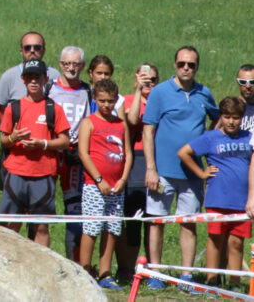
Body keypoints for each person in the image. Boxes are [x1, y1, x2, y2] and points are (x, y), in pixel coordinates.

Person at [142, 46, 218, 292]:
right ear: (174, 65)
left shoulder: (204, 93)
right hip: (162, 171)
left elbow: (217, 119)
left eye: (191, 65)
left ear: (197, 67)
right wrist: (150, 169)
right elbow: (147, 131)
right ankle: (156, 273)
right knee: (157, 221)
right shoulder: (160, 92)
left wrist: (208, 143)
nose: (186, 68)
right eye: (182, 64)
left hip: (193, 172)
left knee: (189, 223)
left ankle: (186, 276)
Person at [181, 96, 252, 291]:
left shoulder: (249, 137)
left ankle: (235, 284)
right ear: (221, 116)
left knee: (237, 243)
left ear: (242, 118)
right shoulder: (211, 137)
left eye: (236, 117)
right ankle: (211, 282)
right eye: (227, 116)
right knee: (215, 240)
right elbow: (184, 152)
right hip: (218, 198)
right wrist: (201, 172)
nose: (231, 121)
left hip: (242, 201)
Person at [0, 60, 70, 246]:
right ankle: (8, 264)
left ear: (45, 79)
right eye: (29, 77)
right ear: (23, 79)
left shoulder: (53, 108)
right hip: (16, 173)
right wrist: (13, 138)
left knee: (41, 226)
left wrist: (42, 144)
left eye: (37, 77)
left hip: (43, 174)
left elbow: (64, 140)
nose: (33, 81)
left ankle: (43, 269)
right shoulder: (13, 108)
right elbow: (4, 141)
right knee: (10, 224)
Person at [78, 79, 131, 291]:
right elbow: (83, 153)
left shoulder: (120, 124)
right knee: (92, 228)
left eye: (110, 101)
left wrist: (123, 180)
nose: (107, 105)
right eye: (102, 101)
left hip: (116, 187)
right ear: (95, 99)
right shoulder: (88, 122)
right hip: (94, 185)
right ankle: (84, 270)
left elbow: (127, 155)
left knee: (112, 228)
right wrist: (99, 179)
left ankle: (105, 272)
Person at [48, 45, 93, 260]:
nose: (71, 68)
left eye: (76, 64)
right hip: (50, 151)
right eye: (67, 64)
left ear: (83, 66)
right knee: (41, 207)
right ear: (60, 65)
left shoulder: (88, 91)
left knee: (74, 208)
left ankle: (74, 262)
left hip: (75, 155)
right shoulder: (49, 88)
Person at [117, 62, 158, 280]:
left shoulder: (160, 100)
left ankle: (152, 271)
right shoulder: (128, 100)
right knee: (133, 218)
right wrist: (137, 91)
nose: (148, 83)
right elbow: (132, 120)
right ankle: (128, 269)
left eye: (152, 79)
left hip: (155, 162)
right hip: (134, 161)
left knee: (153, 219)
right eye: (144, 78)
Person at [0, 32, 60, 111]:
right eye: (27, 48)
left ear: (44, 50)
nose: (32, 50)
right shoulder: (9, 76)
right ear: (21, 51)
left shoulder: (54, 75)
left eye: (37, 47)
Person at [236, 64, 254, 133]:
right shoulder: (231, 106)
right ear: (237, 82)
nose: (248, 86)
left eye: (252, 82)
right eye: (243, 82)